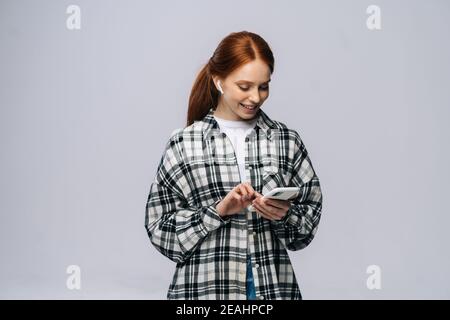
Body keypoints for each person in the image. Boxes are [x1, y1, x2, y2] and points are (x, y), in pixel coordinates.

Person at [145, 31, 323, 300]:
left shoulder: (286, 141)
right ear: (219, 81)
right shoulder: (184, 143)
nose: (255, 97)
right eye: (244, 86)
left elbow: (308, 221)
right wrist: (217, 211)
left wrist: (283, 215)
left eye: (263, 86)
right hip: (203, 291)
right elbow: (159, 228)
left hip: (273, 289)